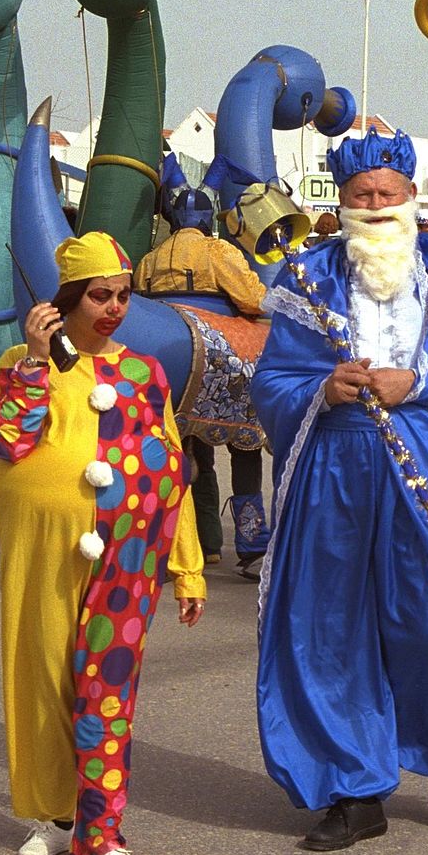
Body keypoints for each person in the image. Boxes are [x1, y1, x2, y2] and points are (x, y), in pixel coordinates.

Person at [252, 127, 428, 851]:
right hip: (331, 468)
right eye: (361, 194)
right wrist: (321, 387)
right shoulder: (303, 277)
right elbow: (269, 379)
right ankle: (353, 788)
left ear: (410, 200)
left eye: (386, 193)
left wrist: (415, 382)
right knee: (329, 630)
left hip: (424, 460)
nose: (374, 203)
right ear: (341, 203)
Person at [0, 231, 205, 855]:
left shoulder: (144, 373)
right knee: (45, 682)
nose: (113, 307)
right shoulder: (23, 361)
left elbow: (173, 471)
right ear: (70, 298)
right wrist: (35, 359)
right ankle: (55, 817)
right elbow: (4, 441)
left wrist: (187, 566)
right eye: (100, 295)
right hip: (41, 552)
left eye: (123, 295)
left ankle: (100, 835)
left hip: (128, 558)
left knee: (106, 688)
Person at [135, 178, 272, 575]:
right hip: (216, 350)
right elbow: (252, 297)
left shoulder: (149, 259)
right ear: (207, 218)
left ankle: (186, 541)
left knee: (185, 446)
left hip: (162, 353)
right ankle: (250, 545)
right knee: (244, 441)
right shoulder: (217, 250)